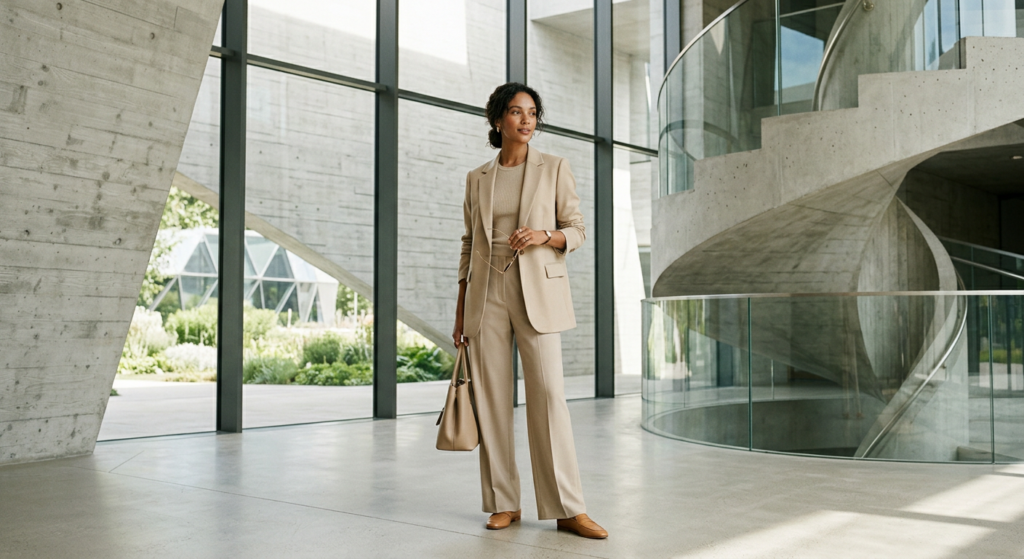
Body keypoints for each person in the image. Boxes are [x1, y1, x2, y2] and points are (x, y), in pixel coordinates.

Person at [452, 82, 607, 540]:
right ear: (498, 119)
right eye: (517, 112)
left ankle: (567, 508)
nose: (527, 120)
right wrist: (460, 312)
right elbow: (468, 244)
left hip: (537, 292)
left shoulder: (554, 167)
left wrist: (544, 236)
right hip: (486, 295)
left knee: (549, 398)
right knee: (492, 401)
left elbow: (576, 229)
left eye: (533, 113)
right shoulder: (477, 178)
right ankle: (504, 502)